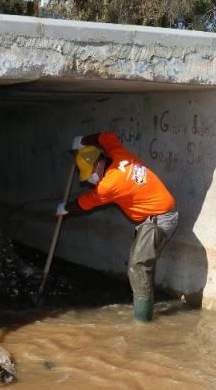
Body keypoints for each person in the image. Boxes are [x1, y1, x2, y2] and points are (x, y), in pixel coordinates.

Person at [56, 132, 179, 322]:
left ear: (99, 164)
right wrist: (83, 141)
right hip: (154, 216)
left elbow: (84, 203)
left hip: (159, 219)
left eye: (90, 174)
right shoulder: (118, 153)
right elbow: (106, 136)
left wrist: (65, 208)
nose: (90, 180)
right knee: (141, 264)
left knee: (137, 267)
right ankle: (145, 306)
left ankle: (142, 324)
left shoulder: (108, 185)